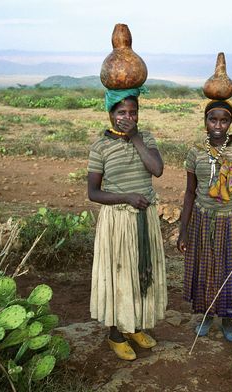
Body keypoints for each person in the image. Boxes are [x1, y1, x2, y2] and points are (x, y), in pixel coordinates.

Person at [87, 88, 167, 360]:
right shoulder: (101, 147)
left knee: (142, 274)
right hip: (118, 220)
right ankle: (115, 335)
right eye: (121, 112)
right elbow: (93, 193)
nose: (128, 117)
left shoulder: (146, 138)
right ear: (110, 115)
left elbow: (156, 169)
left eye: (133, 112)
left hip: (144, 219)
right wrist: (126, 197)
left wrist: (135, 139)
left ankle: (134, 327)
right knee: (119, 275)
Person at [177, 100, 232, 342]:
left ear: (230, 122)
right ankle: (207, 316)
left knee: (230, 270)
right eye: (213, 120)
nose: (218, 125)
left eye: (224, 120)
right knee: (206, 269)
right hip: (202, 220)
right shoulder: (195, 153)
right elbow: (190, 192)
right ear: (205, 122)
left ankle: (228, 319)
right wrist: (183, 230)